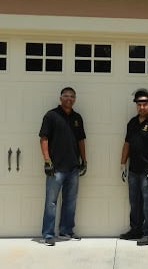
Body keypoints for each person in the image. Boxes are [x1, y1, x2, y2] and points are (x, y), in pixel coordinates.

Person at [39, 86, 87, 246]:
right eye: (66, 95)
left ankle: (66, 231)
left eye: (72, 96)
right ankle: (48, 234)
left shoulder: (77, 118)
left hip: (73, 167)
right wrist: (47, 161)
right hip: (56, 168)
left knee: (70, 201)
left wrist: (84, 161)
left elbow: (81, 140)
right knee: (51, 202)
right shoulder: (51, 116)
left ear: (75, 99)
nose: (69, 98)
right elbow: (43, 139)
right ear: (60, 98)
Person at [119, 88, 148, 246]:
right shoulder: (132, 123)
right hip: (133, 170)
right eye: (139, 104)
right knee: (135, 202)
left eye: (145, 103)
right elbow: (127, 144)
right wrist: (122, 164)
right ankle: (136, 230)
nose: (142, 107)